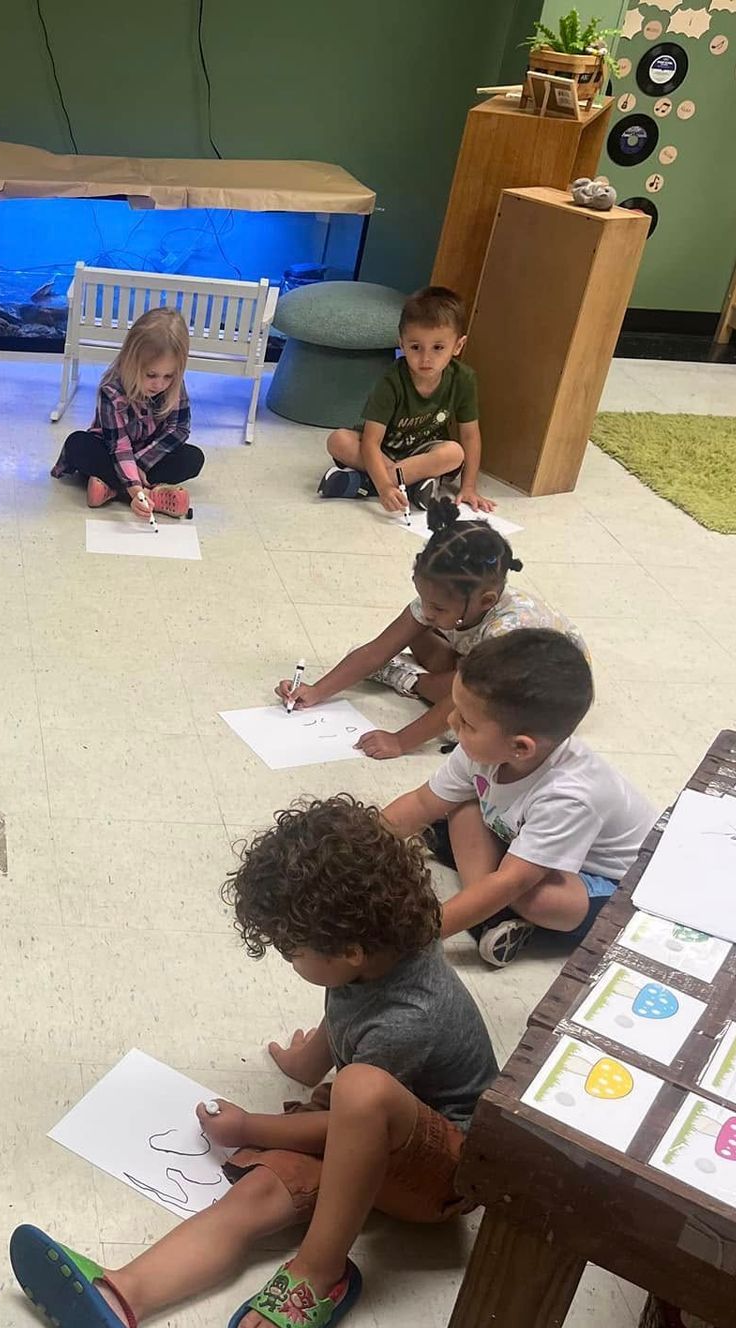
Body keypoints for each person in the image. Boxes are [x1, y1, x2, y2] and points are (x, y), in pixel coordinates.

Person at [9, 797, 497, 1328]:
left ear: (349, 950)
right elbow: (348, 1009)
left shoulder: (412, 1017)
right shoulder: (376, 951)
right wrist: (307, 1061)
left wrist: (249, 1127)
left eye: (293, 952)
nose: (288, 960)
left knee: (360, 1089)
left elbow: (352, 1108)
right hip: (368, 1121)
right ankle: (122, 1295)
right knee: (256, 1195)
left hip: (443, 1167)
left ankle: (322, 1271)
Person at [382, 629, 655, 967]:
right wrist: (351, 843)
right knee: (459, 805)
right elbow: (422, 804)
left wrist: (414, 938)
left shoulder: (570, 795)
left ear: (520, 747)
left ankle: (491, 910)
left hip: (607, 882)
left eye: (466, 721)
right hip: (532, 852)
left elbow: (511, 882)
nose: (451, 721)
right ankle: (487, 913)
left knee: (535, 898)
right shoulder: (482, 750)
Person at [274, 497, 583, 759]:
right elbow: (375, 650)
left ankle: (407, 678)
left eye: (437, 606)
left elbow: (461, 699)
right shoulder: (448, 602)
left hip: (544, 688)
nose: (427, 609)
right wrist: (315, 691)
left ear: (486, 600)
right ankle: (423, 673)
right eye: (425, 599)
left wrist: (400, 741)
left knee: (467, 699)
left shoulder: (510, 631)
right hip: (476, 653)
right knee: (419, 631)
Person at [319, 286, 492, 515]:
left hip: (424, 454)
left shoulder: (463, 379)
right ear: (402, 344)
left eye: (438, 348)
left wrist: (469, 487)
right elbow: (371, 441)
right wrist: (385, 488)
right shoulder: (391, 380)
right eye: (415, 347)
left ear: (457, 346)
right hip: (384, 450)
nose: (426, 358)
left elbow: (470, 435)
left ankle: (364, 483)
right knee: (338, 440)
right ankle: (411, 485)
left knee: (454, 453)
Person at [51, 307, 203, 520]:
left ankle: (112, 489)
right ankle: (148, 493)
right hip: (111, 452)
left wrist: (140, 464)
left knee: (193, 458)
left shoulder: (173, 385)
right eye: (151, 375)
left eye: (168, 376)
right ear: (132, 362)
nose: (160, 383)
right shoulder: (111, 389)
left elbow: (178, 430)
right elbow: (119, 447)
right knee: (77, 444)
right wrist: (135, 489)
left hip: (150, 455)